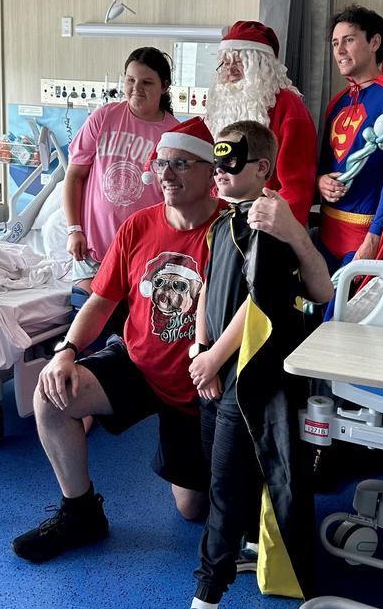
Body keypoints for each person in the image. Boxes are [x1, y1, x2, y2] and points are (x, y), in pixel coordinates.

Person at [11, 118, 225, 564]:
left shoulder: (229, 233)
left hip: (197, 384)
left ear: (210, 173)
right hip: (138, 362)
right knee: (51, 395)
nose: (166, 173)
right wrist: (65, 351)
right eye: (162, 163)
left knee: (191, 509)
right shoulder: (138, 226)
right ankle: (81, 512)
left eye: (181, 164)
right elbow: (101, 302)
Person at [168, 120, 333, 609]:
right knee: (223, 482)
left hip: (249, 378)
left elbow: (264, 301)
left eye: (231, 163)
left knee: (222, 488)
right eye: (215, 164)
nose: (219, 173)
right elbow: (209, 292)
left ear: (263, 168)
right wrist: (199, 347)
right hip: (216, 372)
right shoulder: (224, 224)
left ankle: (205, 607)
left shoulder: (266, 224)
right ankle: (241, 549)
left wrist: (213, 361)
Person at [316, 5, 383, 311]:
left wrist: (375, 236)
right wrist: (320, 180)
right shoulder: (338, 101)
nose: (340, 51)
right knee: (312, 314)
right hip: (326, 231)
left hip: (363, 234)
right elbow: (323, 163)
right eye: (335, 43)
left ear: (374, 43)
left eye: (348, 40)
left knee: (338, 320)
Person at [63, 46, 179, 293]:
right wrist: (74, 230)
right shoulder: (104, 117)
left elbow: (177, 199)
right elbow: (74, 176)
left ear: (165, 86)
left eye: (147, 82)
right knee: (88, 322)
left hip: (143, 255)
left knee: (127, 328)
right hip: (92, 252)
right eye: (130, 80)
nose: (136, 88)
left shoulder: (175, 135)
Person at [204, 20, 317, 226]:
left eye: (239, 61)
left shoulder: (288, 107)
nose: (230, 69)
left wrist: (279, 233)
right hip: (222, 220)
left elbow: (296, 187)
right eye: (225, 62)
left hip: (264, 224)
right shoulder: (219, 106)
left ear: (261, 65)